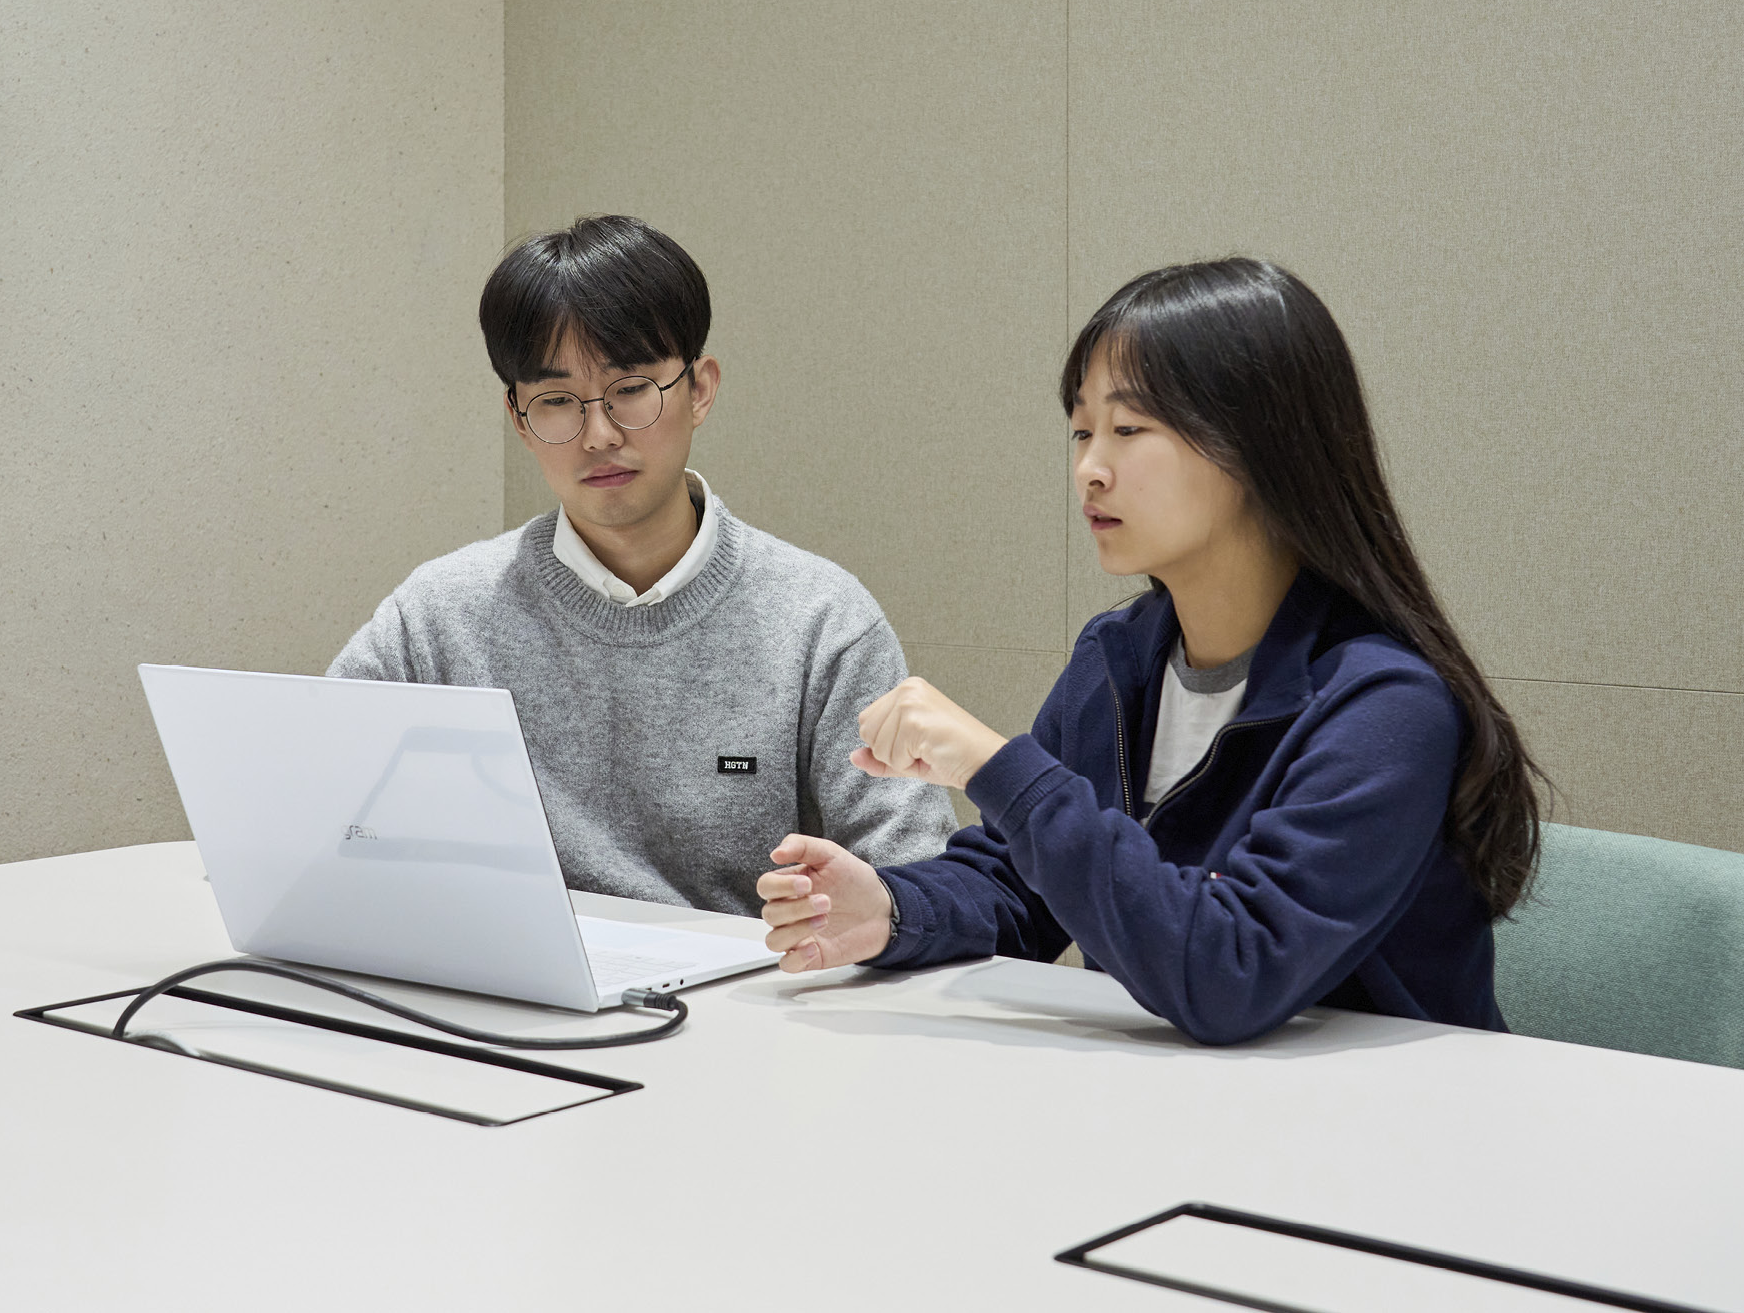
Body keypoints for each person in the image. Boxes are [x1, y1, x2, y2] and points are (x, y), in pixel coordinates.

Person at [755, 257, 1545, 1043]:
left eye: (1129, 430)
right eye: (1081, 430)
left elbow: (1230, 969)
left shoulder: (1386, 707)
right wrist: (890, 911)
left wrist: (997, 765)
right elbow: (1016, 886)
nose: (1089, 470)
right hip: (1188, 1112)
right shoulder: (1118, 657)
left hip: (1387, 1129)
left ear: (1259, 446)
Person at [329, 215, 953, 915]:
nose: (598, 435)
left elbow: (919, 880)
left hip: (747, 1007)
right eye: (557, 401)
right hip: (505, 1001)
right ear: (518, 416)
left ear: (701, 389)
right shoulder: (440, 613)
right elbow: (311, 808)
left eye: (630, 390)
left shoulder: (821, 621)